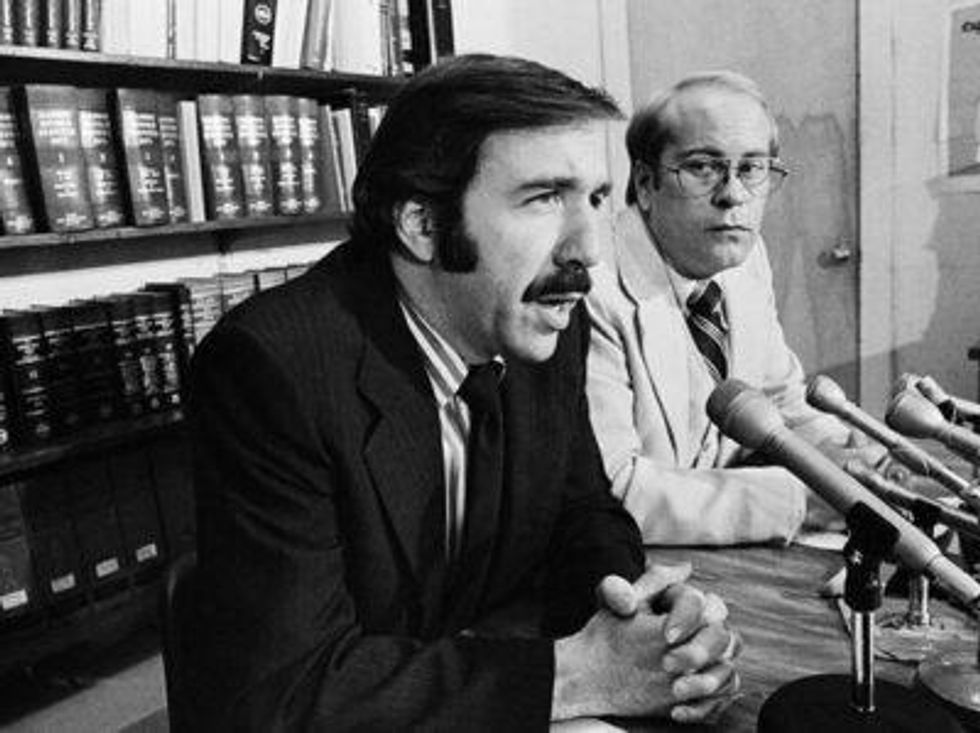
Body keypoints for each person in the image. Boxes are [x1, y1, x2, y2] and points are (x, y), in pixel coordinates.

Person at [181, 55, 740, 730]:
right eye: (543, 198)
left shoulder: (542, 318)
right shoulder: (272, 369)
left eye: (595, 198)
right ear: (420, 223)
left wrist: (640, 621)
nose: (589, 249)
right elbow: (291, 689)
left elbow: (581, 512)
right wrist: (575, 675)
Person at [586, 71, 885, 546]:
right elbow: (613, 491)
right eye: (704, 168)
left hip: (719, 557)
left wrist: (842, 454)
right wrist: (804, 496)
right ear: (644, 183)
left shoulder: (744, 261)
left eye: (751, 168)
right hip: (624, 569)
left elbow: (779, 401)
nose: (732, 194)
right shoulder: (592, 285)